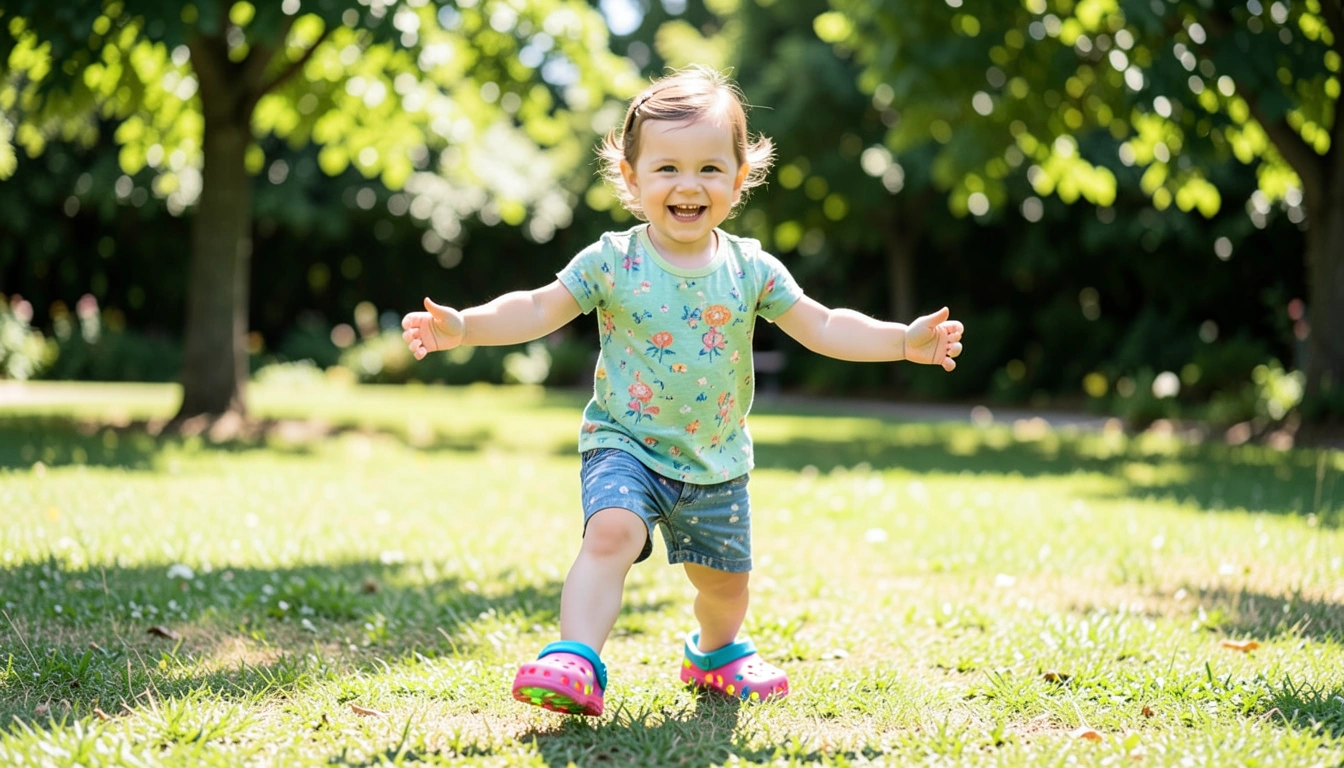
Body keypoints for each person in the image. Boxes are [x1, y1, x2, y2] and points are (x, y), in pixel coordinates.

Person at [401, 65, 964, 717]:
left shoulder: (752, 268)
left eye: (708, 169)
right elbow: (535, 307)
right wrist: (465, 326)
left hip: (716, 461)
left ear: (739, 176)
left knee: (725, 585)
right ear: (632, 178)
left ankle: (717, 653)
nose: (688, 185)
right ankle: (574, 656)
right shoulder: (612, 260)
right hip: (626, 445)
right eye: (667, 169)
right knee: (609, 534)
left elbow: (826, 324)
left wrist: (902, 341)